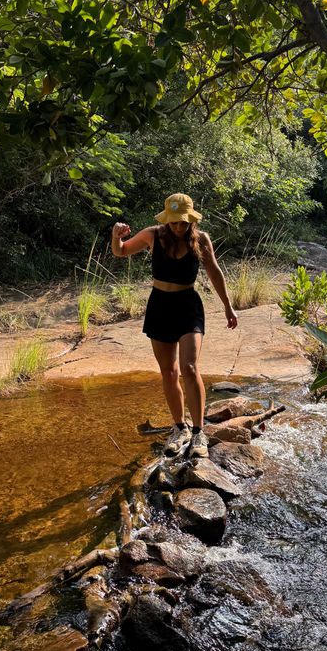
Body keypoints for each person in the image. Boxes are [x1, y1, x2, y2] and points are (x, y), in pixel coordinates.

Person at [111, 193, 238, 459]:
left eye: (183, 223)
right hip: (160, 306)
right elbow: (120, 251)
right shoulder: (153, 235)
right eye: (174, 223)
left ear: (191, 220)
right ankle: (179, 427)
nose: (178, 227)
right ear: (167, 219)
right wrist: (116, 235)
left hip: (188, 305)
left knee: (190, 368)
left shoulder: (201, 240)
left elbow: (214, 271)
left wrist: (228, 306)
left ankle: (199, 431)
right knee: (168, 372)